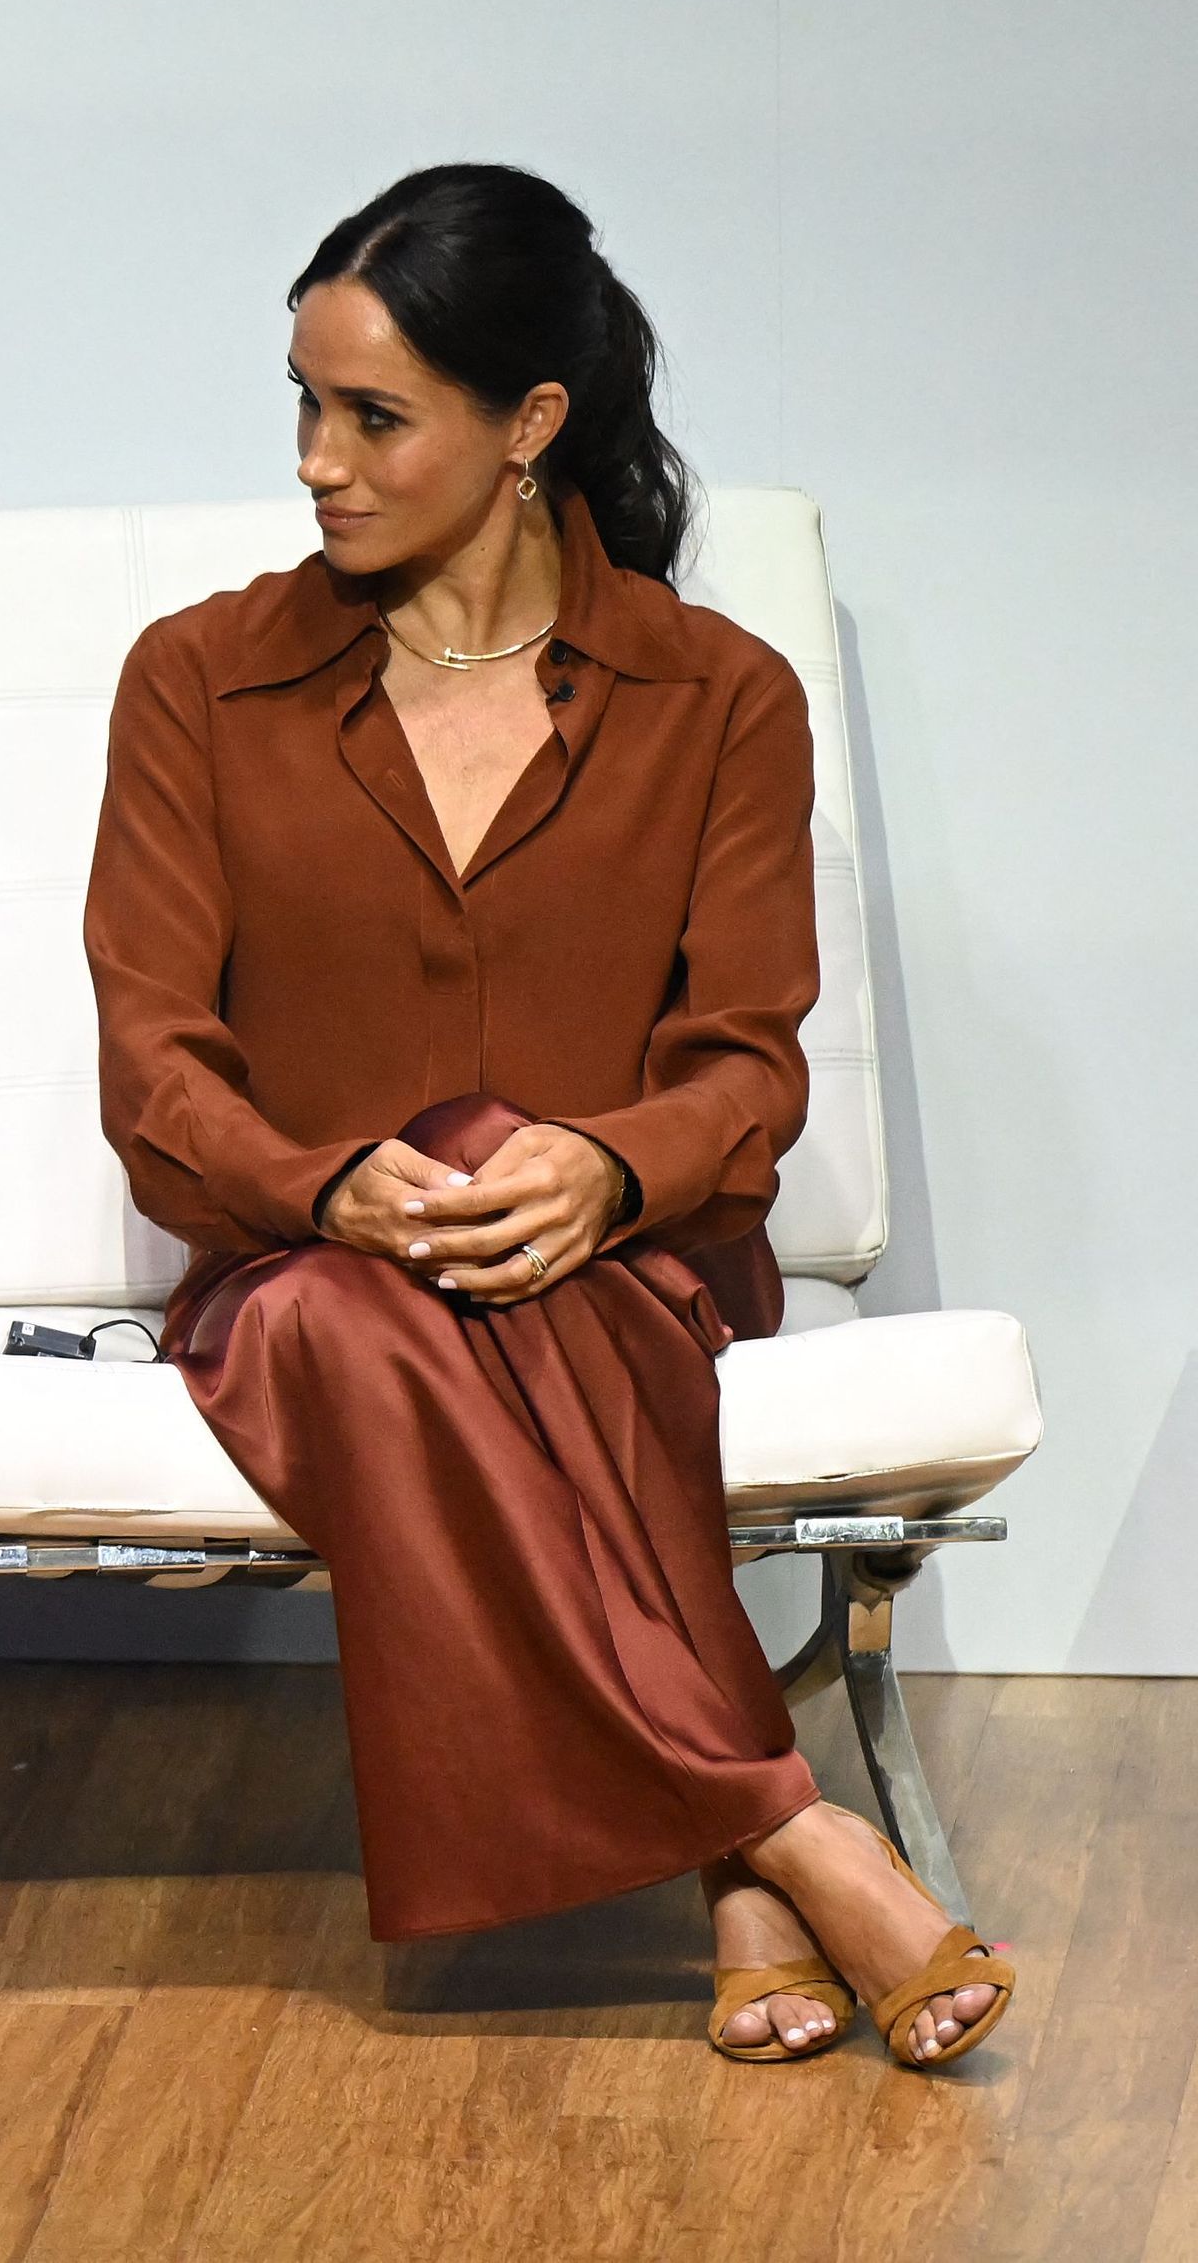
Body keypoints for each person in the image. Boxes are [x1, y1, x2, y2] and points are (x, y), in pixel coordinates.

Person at [81, 163, 1014, 2072]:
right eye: (306, 404)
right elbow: (155, 1061)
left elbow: (750, 1062)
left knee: (524, 1214)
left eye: (371, 416)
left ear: (530, 428)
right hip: (303, 1284)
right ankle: (778, 1831)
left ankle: (747, 1863)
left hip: (636, 1278)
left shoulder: (717, 695)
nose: (316, 461)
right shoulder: (199, 679)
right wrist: (330, 1189)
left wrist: (605, 1167)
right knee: (368, 1307)